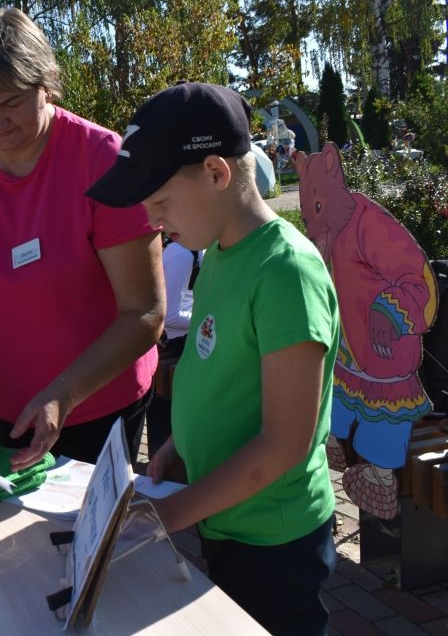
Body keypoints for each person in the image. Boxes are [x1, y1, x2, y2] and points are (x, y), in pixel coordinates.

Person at [86, 82, 339, 636]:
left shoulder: (285, 272)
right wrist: (178, 449)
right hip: (226, 516)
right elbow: (221, 368)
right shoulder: (220, 254)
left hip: (275, 538)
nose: (152, 221)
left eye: (160, 201)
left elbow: (285, 443)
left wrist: (171, 514)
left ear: (217, 173)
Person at [0, 7, 164, 471]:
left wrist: (63, 394)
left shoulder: (99, 158)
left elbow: (144, 312)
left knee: (87, 538)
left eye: (12, 102)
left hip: (99, 407)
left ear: (47, 86)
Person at [145, 237, 202, 455]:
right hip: (174, 345)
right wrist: (207, 316)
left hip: (183, 341)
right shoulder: (182, 255)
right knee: (166, 416)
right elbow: (169, 315)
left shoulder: (196, 251)